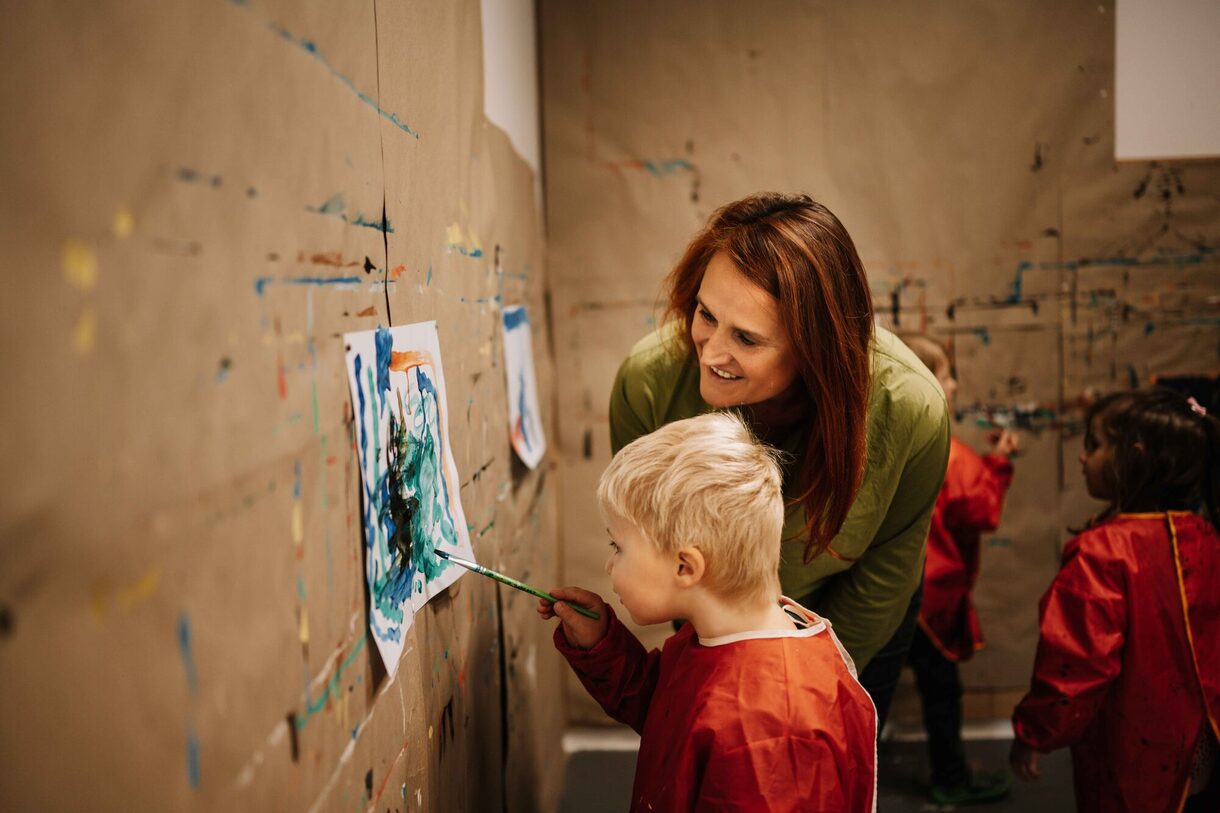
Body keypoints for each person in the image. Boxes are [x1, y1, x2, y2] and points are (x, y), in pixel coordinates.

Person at [608, 192, 950, 725]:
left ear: (814, 349)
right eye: (705, 314)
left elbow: (883, 579)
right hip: (715, 621)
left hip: (848, 629)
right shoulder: (647, 383)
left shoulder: (910, 409)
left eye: (746, 338)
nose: (711, 351)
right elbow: (664, 559)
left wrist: (801, 689)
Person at [539, 412, 878, 811]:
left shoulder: (770, 730)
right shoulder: (714, 635)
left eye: (619, 547)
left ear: (685, 567)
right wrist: (602, 647)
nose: (610, 566)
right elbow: (669, 713)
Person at [1010, 389, 1220, 812]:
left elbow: (1075, 664)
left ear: (1135, 457)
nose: (1083, 458)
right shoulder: (1204, 535)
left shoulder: (1104, 553)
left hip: (1131, 751)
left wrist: (1035, 732)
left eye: (1094, 444)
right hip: (1200, 746)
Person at [901, 335, 1018, 805]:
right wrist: (1001, 462)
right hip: (934, 599)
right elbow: (983, 510)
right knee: (942, 693)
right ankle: (950, 777)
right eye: (947, 374)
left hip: (890, 598)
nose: (954, 383)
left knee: (874, 689)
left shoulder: (882, 446)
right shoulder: (951, 455)